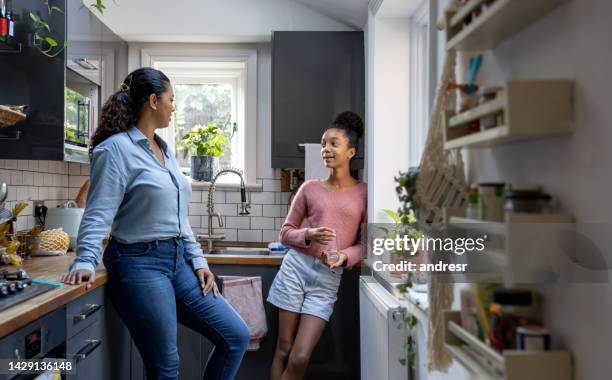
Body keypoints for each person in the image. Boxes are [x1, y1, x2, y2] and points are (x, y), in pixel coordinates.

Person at [61, 68, 250, 380]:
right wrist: (85, 259)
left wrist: (198, 260)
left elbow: (179, 218)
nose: (173, 107)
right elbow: (98, 212)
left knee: (236, 336)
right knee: (165, 368)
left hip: (177, 262)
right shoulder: (115, 149)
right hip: (138, 264)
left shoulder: (165, 150)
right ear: (153, 100)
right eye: (170, 100)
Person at [267, 111, 367, 379]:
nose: (326, 149)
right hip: (295, 269)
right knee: (284, 349)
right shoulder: (309, 188)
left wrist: (344, 257)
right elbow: (285, 233)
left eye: (334, 143)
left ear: (351, 152)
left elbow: (366, 244)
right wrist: (308, 234)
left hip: (327, 279)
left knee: (300, 358)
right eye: (323, 144)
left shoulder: (364, 192)